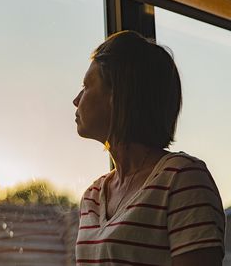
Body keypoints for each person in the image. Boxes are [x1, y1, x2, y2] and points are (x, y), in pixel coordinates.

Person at [73, 30, 225, 265]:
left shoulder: (181, 179)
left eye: (86, 86)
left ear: (118, 94)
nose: (76, 99)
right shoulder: (92, 197)